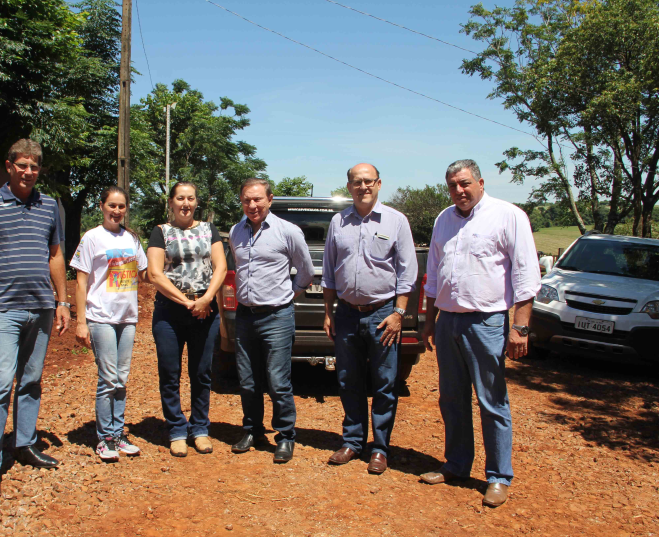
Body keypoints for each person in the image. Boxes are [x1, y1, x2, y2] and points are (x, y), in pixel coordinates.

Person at [419, 159, 541, 507]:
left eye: (465, 183)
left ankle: (499, 477)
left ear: (481, 182)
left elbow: (525, 274)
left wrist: (520, 326)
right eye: (453, 185)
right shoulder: (444, 219)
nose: (459, 190)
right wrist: (430, 321)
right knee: (451, 398)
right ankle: (456, 464)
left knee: (491, 401)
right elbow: (433, 271)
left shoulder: (508, 215)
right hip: (448, 322)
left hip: (487, 322)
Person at [0, 139, 70, 498]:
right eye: (22, 165)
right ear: (9, 166)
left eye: (34, 166)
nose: (28, 172)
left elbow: (56, 255)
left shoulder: (49, 206)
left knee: (31, 380)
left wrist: (62, 301)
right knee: (1, 380)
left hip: (41, 307)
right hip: (2, 308)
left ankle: (24, 443)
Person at [322, 164, 418, 474]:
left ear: (378, 184)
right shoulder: (338, 221)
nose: (363, 186)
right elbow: (328, 272)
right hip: (347, 313)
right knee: (348, 380)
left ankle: (380, 448)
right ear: (348, 186)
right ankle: (352, 442)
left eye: (368, 181)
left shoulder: (396, 221)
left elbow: (407, 273)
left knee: (384, 383)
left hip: (383, 315)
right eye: (356, 182)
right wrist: (328, 312)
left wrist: (398, 314)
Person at [229, 178, 315, 463]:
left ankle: (285, 436)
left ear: (270, 199)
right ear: (241, 202)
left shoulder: (288, 231)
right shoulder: (235, 232)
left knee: (278, 380)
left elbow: (305, 270)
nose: (252, 206)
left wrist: (289, 294)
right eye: (246, 200)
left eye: (257, 200)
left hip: (277, 316)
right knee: (248, 380)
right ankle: (252, 430)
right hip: (244, 316)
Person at [146, 182, 227, 457]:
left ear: (196, 202)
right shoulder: (160, 232)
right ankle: (177, 429)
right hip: (170, 313)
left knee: (201, 373)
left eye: (190, 198)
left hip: (205, 311)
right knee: (170, 372)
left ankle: (200, 428)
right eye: (180, 198)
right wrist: (187, 301)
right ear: (171, 202)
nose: (186, 203)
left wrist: (206, 300)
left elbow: (221, 266)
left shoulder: (209, 230)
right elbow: (154, 274)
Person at [71, 186, 147, 462]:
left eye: (122, 206)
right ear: (101, 206)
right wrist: (80, 321)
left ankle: (118, 432)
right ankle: (105, 438)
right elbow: (80, 282)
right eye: (111, 205)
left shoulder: (132, 238)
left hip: (127, 317)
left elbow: (145, 274)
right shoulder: (91, 238)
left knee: (122, 379)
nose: (116, 210)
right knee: (108, 378)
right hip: (100, 316)